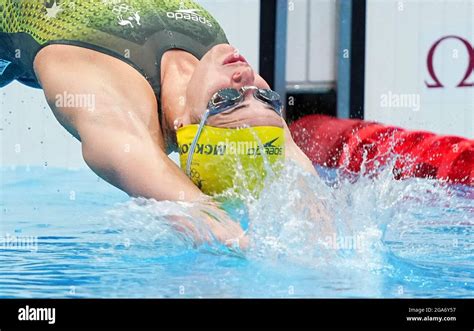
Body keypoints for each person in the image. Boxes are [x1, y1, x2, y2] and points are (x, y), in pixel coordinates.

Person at [0, 0, 321, 247]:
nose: (247, 78)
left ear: (186, 128)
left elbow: (131, 156)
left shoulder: (105, 89)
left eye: (226, 99)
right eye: (265, 98)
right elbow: (295, 170)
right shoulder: (225, 72)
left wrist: (220, 227)